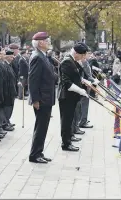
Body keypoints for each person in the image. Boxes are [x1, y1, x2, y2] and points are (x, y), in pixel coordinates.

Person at [28, 32, 55, 163]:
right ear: (40, 43)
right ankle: (35, 154)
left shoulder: (43, 56)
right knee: (40, 127)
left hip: (46, 97)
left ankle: (39, 152)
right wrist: (35, 99)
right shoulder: (37, 57)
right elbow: (33, 80)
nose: (48, 41)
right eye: (46, 40)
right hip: (42, 99)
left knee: (43, 127)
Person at [58, 42, 89, 152]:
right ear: (76, 53)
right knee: (66, 121)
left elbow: (75, 76)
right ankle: (66, 143)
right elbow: (66, 82)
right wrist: (80, 90)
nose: (83, 58)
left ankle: (69, 138)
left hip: (71, 96)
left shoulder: (73, 61)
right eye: (82, 55)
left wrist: (83, 81)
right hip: (66, 96)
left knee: (70, 119)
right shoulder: (67, 61)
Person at [2, 48, 18, 129]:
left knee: (10, 108)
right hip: (7, 92)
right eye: (11, 57)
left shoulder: (9, 65)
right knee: (6, 109)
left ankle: (7, 121)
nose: (12, 59)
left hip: (11, 91)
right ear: (7, 57)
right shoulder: (4, 65)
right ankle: (5, 123)